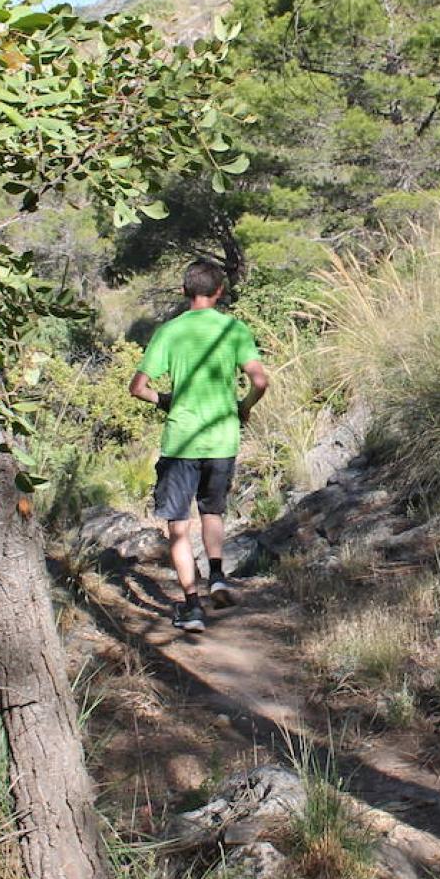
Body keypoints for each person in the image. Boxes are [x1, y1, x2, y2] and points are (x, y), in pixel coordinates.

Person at [128, 261, 269, 633]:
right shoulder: (234, 330)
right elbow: (259, 380)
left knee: (178, 525)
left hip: (181, 441)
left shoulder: (169, 332)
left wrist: (166, 401)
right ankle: (219, 577)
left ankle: (192, 607)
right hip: (222, 437)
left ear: (184, 291)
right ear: (220, 290)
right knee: (213, 512)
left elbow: (138, 387)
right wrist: (243, 406)